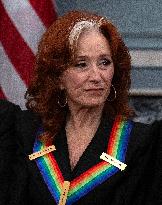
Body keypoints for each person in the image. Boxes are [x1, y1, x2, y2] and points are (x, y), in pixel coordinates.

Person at [7, 10, 161, 205]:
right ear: (58, 77)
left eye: (104, 63)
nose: (96, 76)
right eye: (81, 64)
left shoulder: (141, 145)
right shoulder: (24, 133)